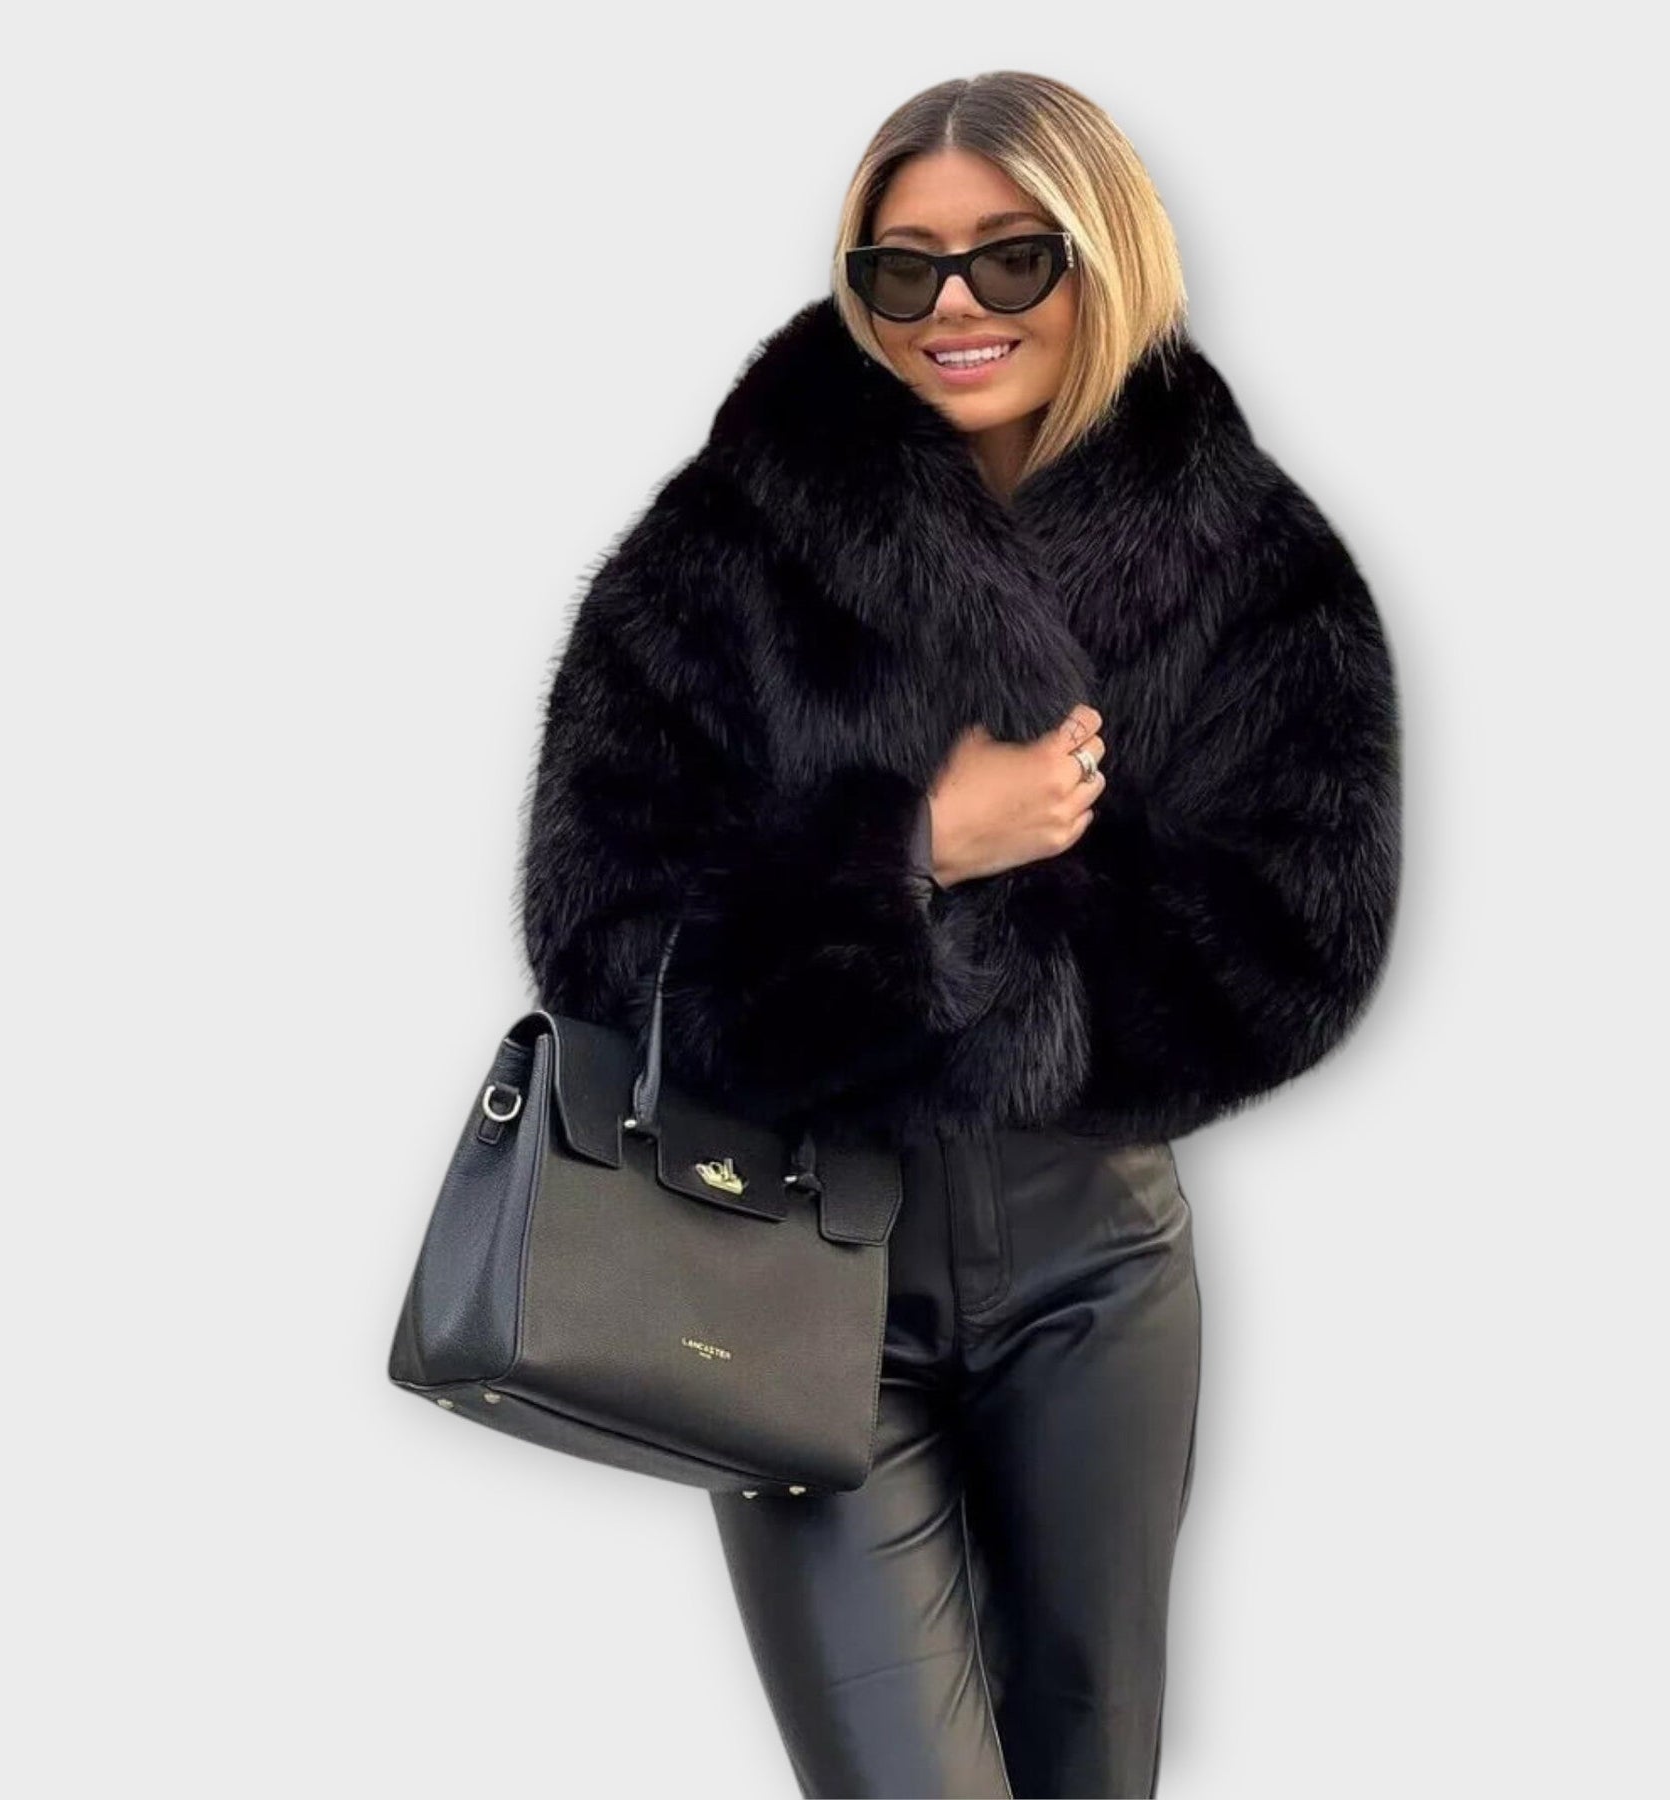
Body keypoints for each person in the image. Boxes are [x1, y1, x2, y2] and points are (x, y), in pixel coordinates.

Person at [515, 68, 1402, 1800]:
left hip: (1100, 1264)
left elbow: (1304, 936)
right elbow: (595, 928)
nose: (954, 306)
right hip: (790, 1251)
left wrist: (1017, 990)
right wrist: (911, 849)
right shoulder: (729, 543)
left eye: (1011, 257)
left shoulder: (1249, 558)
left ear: (1105, 255)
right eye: (902, 267)